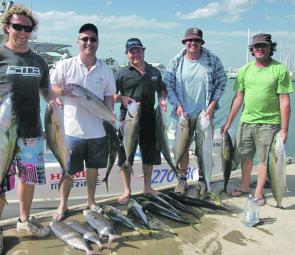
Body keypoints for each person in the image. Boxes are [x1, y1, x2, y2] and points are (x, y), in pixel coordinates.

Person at [0, 4, 52, 252]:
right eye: (17, 26)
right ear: (7, 27)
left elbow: (45, 90)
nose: (22, 31)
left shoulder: (38, 61)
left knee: (28, 178)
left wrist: (55, 99)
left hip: (32, 132)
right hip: (3, 134)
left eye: (27, 28)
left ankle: (23, 221)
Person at [50, 23, 116, 220]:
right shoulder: (65, 65)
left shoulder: (105, 69)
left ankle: (91, 201)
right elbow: (52, 86)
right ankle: (63, 205)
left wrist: (109, 114)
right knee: (68, 170)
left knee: (93, 169)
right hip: (72, 131)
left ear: (98, 42)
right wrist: (63, 92)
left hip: (98, 131)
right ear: (77, 41)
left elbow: (109, 96)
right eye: (84, 39)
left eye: (93, 39)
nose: (89, 43)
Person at [222, 33, 293, 206]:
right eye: (256, 46)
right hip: (246, 121)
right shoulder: (245, 70)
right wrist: (229, 122)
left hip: (270, 124)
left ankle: (259, 192)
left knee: (264, 160)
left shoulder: (280, 69)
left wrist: (284, 129)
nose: (260, 49)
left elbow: (284, 100)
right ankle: (245, 187)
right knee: (245, 157)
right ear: (252, 50)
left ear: (270, 48)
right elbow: (238, 98)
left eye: (264, 46)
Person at [164, 28, 227, 194]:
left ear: (201, 42)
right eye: (189, 40)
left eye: (196, 41)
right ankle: (182, 180)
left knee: (202, 149)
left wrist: (213, 105)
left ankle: (202, 180)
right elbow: (168, 85)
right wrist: (177, 105)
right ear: (185, 42)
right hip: (182, 115)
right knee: (182, 148)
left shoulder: (212, 60)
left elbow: (222, 82)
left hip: (204, 115)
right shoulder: (176, 62)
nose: (193, 43)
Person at [114, 38, 167, 204]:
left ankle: (148, 187)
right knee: (125, 155)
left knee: (149, 154)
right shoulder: (121, 73)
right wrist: (121, 98)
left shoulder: (154, 72)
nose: (136, 54)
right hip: (128, 120)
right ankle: (126, 190)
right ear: (127, 54)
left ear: (143, 51)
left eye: (139, 50)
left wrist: (163, 100)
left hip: (149, 119)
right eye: (132, 51)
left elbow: (162, 90)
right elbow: (109, 95)